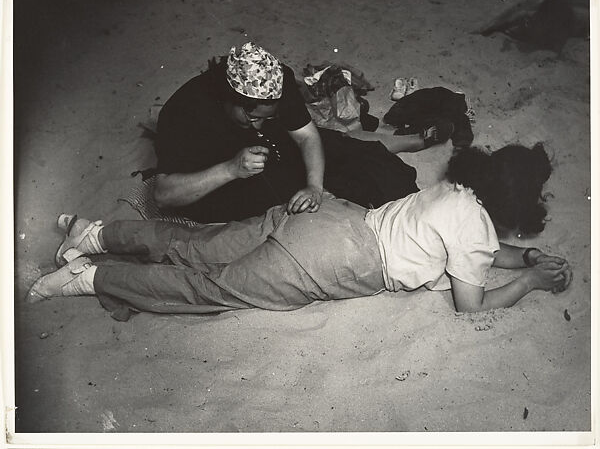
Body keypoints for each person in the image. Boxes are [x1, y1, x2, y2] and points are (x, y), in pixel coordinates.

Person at [27, 142, 571, 320]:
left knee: (201, 242)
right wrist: (529, 284)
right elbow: (470, 304)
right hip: (336, 261)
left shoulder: (454, 195)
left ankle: (96, 235)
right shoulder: (475, 231)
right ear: (516, 204)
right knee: (208, 288)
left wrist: (521, 257)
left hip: (329, 215)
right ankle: (91, 279)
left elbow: (471, 247)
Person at [151, 42, 432, 223]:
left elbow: (307, 136)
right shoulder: (186, 109)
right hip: (222, 178)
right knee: (281, 213)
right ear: (230, 99)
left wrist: (314, 186)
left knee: (354, 155)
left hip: (272, 152)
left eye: (268, 117)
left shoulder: (279, 83)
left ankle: (408, 164)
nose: (259, 124)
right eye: (251, 117)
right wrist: (230, 169)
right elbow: (164, 195)